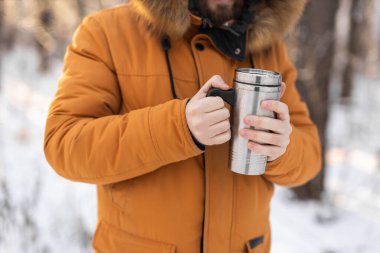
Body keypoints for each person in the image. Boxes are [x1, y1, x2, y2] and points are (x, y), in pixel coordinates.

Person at [43, 0, 321, 252]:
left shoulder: (269, 47)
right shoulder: (106, 33)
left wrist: (283, 146)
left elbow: (310, 155)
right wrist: (178, 128)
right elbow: (65, 144)